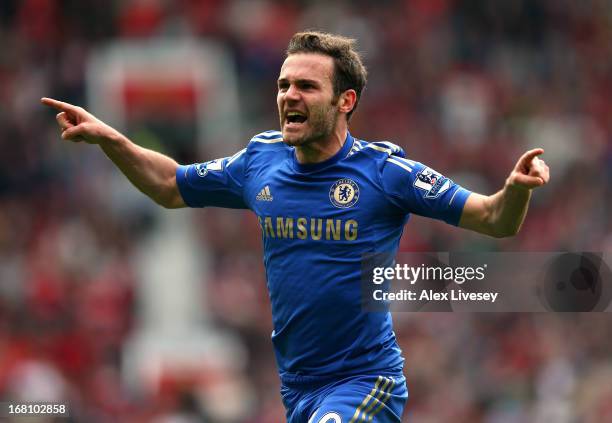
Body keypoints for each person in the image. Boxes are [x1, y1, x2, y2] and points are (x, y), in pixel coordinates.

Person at [42, 31, 549, 423]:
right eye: (284, 85)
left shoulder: (385, 173)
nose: (289, 96)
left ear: (344, 101)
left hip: (365, 381)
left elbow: (493, 219)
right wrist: (111, 138)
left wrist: (517, 188)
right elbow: (171, 186)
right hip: (297, 388)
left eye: (306, 86)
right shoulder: (260, 161)